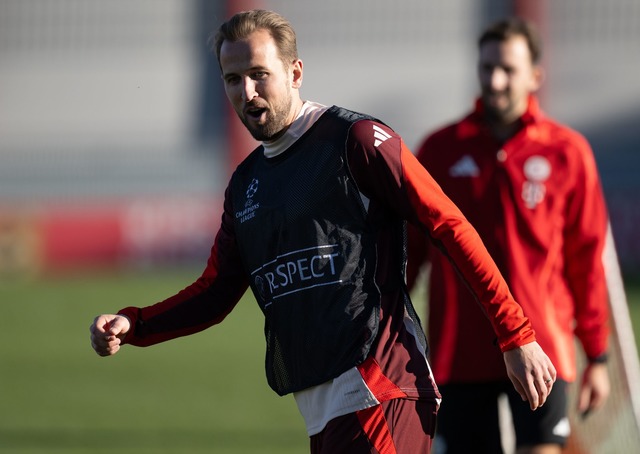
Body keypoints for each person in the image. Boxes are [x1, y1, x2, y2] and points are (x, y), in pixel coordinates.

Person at [90, 10, 556, 454]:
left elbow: (449, 225)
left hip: (381, 388)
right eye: (233, 79)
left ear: (295, 73)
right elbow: (215, 292)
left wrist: (515, 335)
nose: (247, 91)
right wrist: (136, 323)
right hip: (322, 406)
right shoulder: (246, 183)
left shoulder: (356, 141)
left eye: (259, 74)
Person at [406, 17, 610, 454]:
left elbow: (586, 259)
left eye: (508, 70)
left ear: (535, 76)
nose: (494, 81)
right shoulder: (439, 150)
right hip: (460, 353)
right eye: (486, 68)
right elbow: (410, 253)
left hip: (544, 345)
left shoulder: (567, 152)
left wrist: (597, 356)